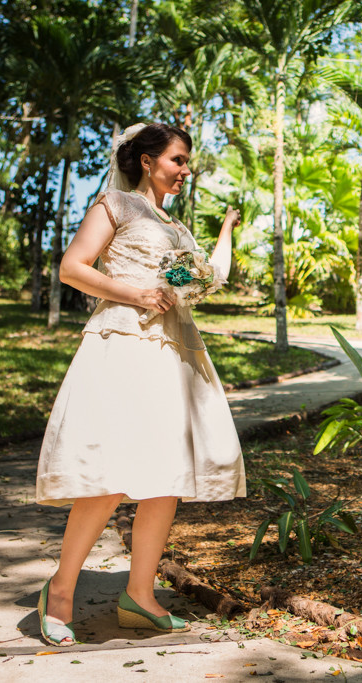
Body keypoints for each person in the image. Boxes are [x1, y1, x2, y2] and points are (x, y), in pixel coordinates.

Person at [34, 122, 246, 646]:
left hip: (173, 354)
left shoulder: (176, 227)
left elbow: (203, 281)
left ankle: (140, 596)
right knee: (110, 476)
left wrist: (225, 233)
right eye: (177, 159)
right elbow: (71, 267)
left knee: (165, 478)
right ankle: (60, 592)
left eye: (186, 161)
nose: (184, 169)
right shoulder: (116, 205)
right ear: (147, 160)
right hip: (123, 345)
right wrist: (136, 293)